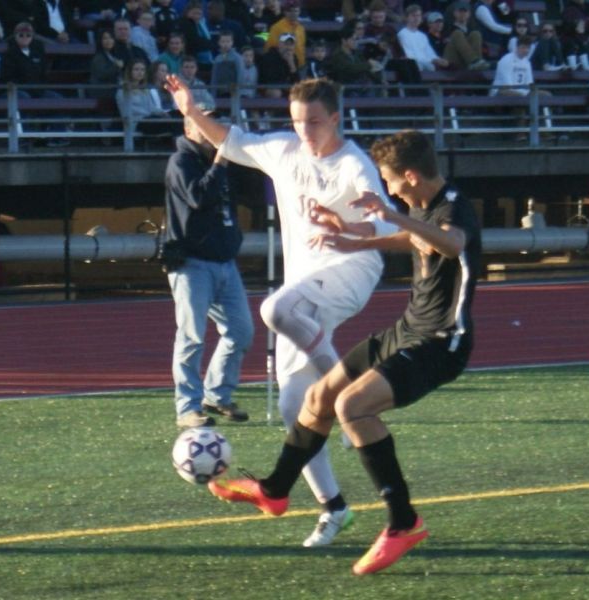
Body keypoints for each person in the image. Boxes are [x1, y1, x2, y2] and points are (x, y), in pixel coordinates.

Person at [204, 128, 482, 575]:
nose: (388, 188)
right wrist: (354, 239)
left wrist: (392, 214)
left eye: (391, 181)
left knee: (353, 407)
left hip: (442, 340)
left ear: (410, 177)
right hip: (408, 329)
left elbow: (450, 243)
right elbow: (413, 239)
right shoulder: (420, 205)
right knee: (318, 399)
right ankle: (274, 489)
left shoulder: (452, 205)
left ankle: (403, 523)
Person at [165, 75, 397, 547]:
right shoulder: (284, 150)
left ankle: (346, 390)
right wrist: (192, 111)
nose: (305, 131)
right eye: (297, 121)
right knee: (297, 407)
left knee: (275, 307)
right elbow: (230, 141)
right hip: (305, 289)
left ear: (335, 118)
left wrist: (346, 227)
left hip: (352, 268)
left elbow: (380, 218)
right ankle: (335, 508)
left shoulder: (353, 162)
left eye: (314, 121)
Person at [162, 97, 254, 429]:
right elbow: (199, 197)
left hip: (224, 262)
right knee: (191, 336)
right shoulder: (181, 161)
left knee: (241, 331)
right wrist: (221, 162)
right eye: (201, 121)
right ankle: (187, 407)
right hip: (192, 263)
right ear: (189, 127)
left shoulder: (219, 163)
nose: (209, 128)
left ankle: (217, 394)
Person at [397, 4, 449, 72]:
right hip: (414, 64)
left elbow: (430, 53)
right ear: (407, 18)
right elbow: (409, 55)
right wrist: (431, 60)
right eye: (413, 16)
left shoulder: (422, 36)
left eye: (418, 15)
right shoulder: (402, 34)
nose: (416, 18)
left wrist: (437, 59)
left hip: (426, 64)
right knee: (421, 65)